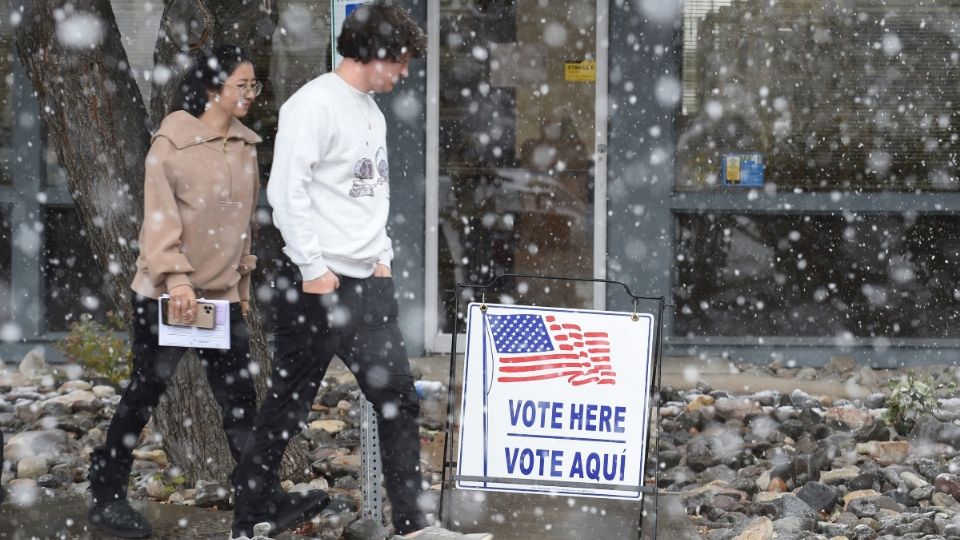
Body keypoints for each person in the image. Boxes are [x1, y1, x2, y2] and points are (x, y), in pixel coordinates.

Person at [230, 3, 491, 539]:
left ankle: (415, 527)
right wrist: (313, 268)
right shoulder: (315, 105)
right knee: (288, 403)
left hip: (367, 282)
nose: (403, 74)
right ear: (373, 56)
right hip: (315, 285)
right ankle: (248, 518)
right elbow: (286, 191)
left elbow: (371, 191)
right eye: (399, 63)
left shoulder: (370, 110)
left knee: (397, 398)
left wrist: (382, 258)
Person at [86, 45, 326, 539]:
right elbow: (158, 222)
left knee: (239, 401)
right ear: (214, 89)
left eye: (254, 85)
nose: (251, 95)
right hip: (167, 299)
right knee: (143, 394)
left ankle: (260, 499)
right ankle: (106, 498)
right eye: (243, 86)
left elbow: (240, 228)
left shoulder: (244, 145)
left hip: (217, 299)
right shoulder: (171, 145)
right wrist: (176, 282)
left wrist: (238, 288)